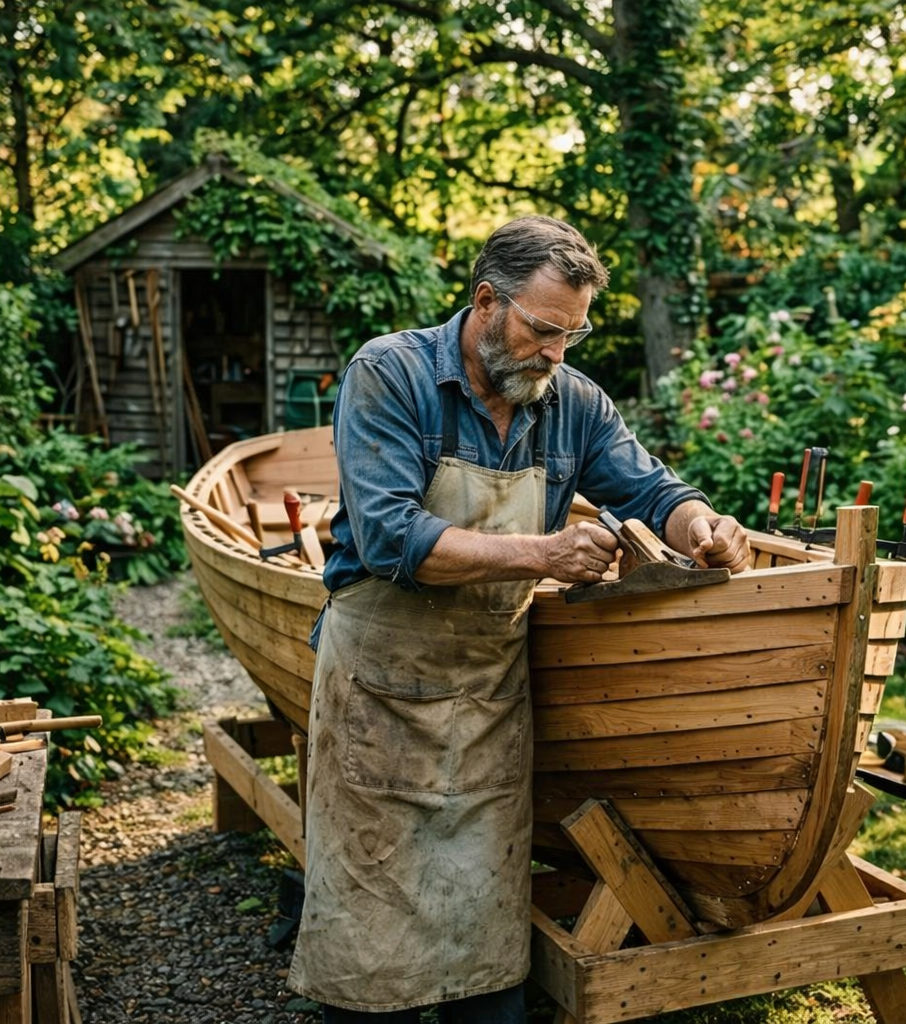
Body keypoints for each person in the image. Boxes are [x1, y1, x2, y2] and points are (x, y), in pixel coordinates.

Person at [287, 215, 752, 1023]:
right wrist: (542, 555)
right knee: (368, 971)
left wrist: (703, 525)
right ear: (485, 302)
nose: (556, 354)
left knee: (488, 968)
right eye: (543, 331)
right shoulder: (390, 375)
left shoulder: (570, 400)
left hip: (486, 704)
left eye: (572, 335)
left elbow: (651, 491)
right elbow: (394, 537)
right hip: (378, 699)